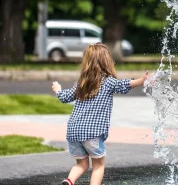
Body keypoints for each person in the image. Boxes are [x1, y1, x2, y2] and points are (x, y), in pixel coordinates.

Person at [52, 43, 148, 185]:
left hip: (74, 131)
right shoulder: (108, 82)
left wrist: (58, 89)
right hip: (93, 133)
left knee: (81, 165)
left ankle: (69, 181)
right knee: (98, 165)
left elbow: (64, 97)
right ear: (106, 61)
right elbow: (124, 84)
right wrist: (141, 81)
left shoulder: (81, 83)